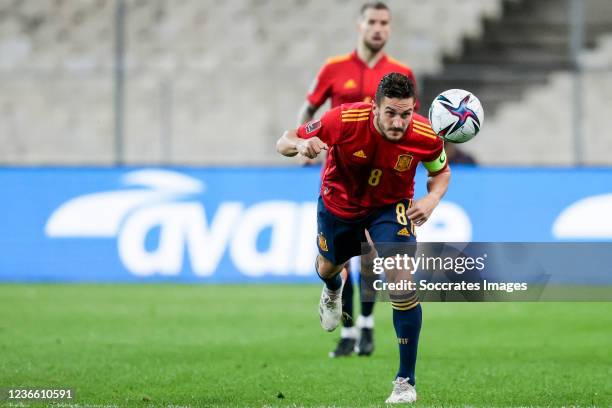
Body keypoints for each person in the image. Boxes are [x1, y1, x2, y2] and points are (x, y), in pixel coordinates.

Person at [277, 73, 451, 403]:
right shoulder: (342, 119)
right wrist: (302, 145)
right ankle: (332, 288)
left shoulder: (426, 134)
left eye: (406, 113)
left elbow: (440, 171)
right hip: (339, 204)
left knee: (401, 281)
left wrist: (431, 199)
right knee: (329, 267)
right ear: (374, 107)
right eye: (391, 113)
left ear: (414, 108)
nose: (399, 122)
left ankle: (405, 381)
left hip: (390, 207)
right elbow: (283, 141)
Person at [297, 1, 419, 358]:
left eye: (384, 22)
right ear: (359, 25)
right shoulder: (334, 68)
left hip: (381, 182)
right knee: (342, 259)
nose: (378, 28)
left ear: (390, 28)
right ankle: (348, 329)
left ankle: (365, 326)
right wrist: (305, 142)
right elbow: (309, 111)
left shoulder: (400, 72)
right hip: (341, 176)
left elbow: (409, 124)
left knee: (370, 255)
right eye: (372, 21)